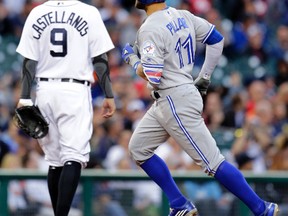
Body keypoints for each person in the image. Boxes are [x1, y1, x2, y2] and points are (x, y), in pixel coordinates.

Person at [121, 0, 279, 215]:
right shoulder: (182, 15)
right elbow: (216, 39)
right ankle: (179, 203)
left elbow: (153, 75)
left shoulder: (149, 27)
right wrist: (204, 76)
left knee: (213, 163)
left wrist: (132, 59)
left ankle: (261, 208)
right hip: (173, 96)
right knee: (138, 148)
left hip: (174, 98)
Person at [16, 1, 116, 216]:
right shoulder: (88, 12)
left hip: (44, 90)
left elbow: (29, 61)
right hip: (74, 89)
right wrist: (108, 93)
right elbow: (100, 58)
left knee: (54, 160)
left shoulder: (37, 12)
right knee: (73, 157)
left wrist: (24, 97)